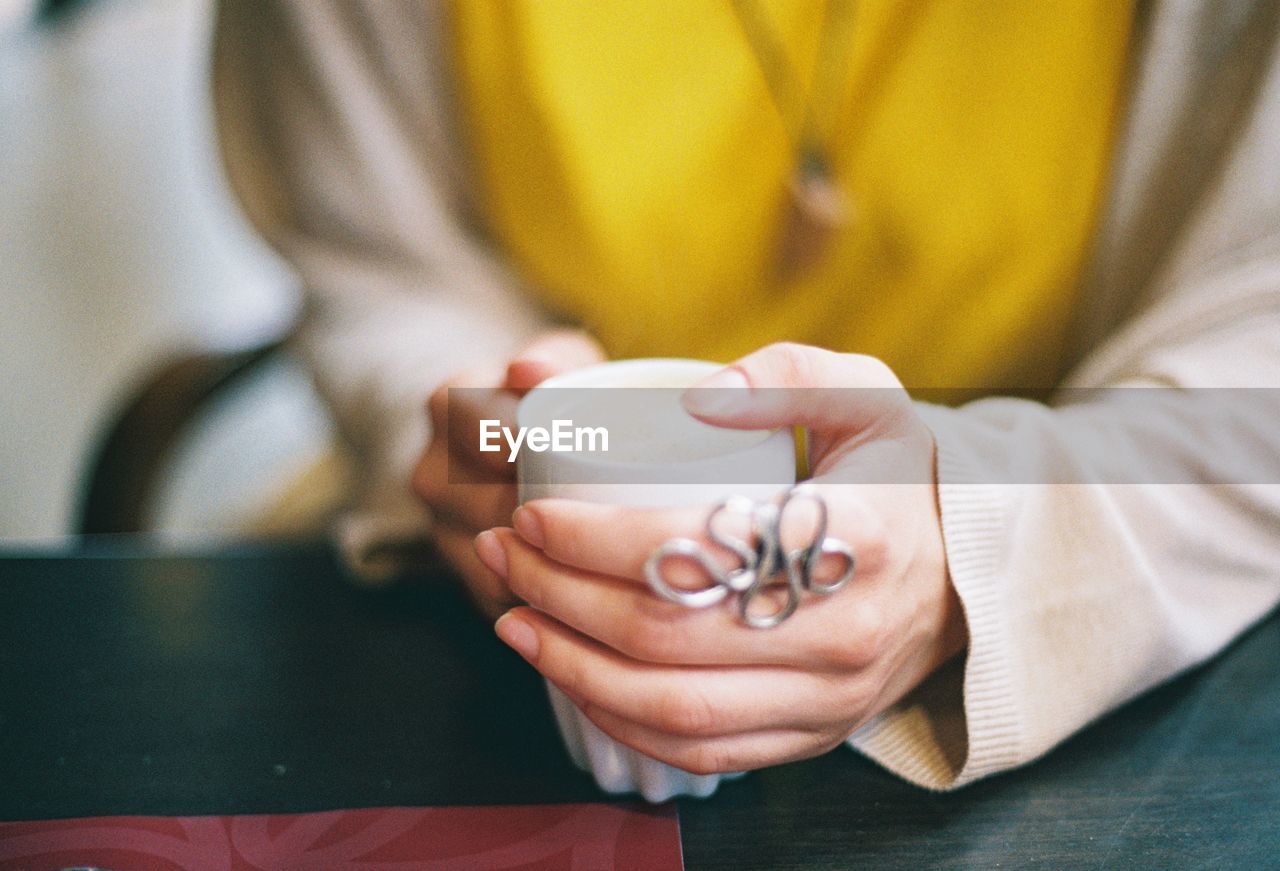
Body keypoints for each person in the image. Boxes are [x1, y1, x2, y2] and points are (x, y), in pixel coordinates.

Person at [211, 1, 1280, 790]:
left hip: (1123, 656)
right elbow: (383, 262)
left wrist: (972, 545)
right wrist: (484, 428)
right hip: (490, 667)